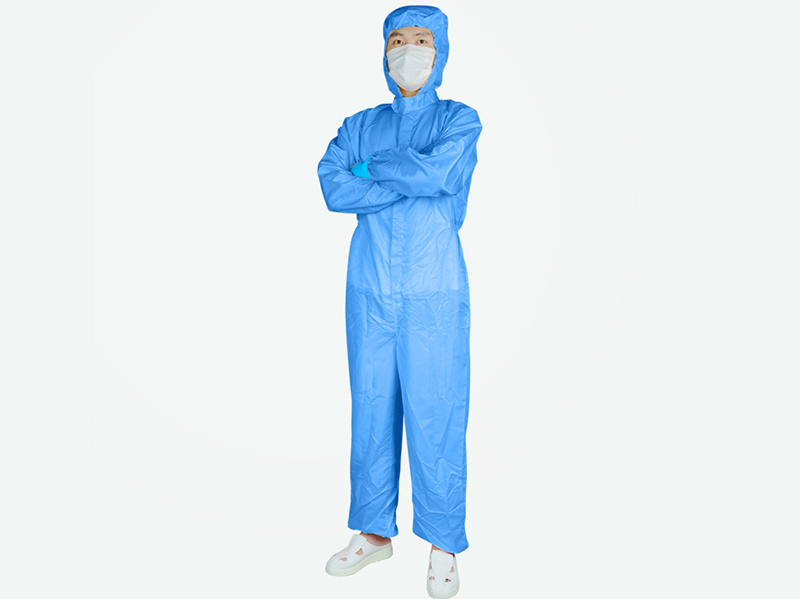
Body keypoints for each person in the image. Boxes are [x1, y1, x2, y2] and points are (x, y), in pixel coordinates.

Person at [317, 5, 481, 598]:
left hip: (434, 291)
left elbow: (438, 177)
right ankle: (373, 532)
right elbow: (333, 185)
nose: (409, 50)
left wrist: (372, 172)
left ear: (441, 50)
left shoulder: (459, 119)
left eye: (421, 39)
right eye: (397, 40)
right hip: (371, 289)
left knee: (437, 412)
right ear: (383, 52)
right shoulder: (360, 123)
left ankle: (443, 542)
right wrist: (404, 176)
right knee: (371, 408)